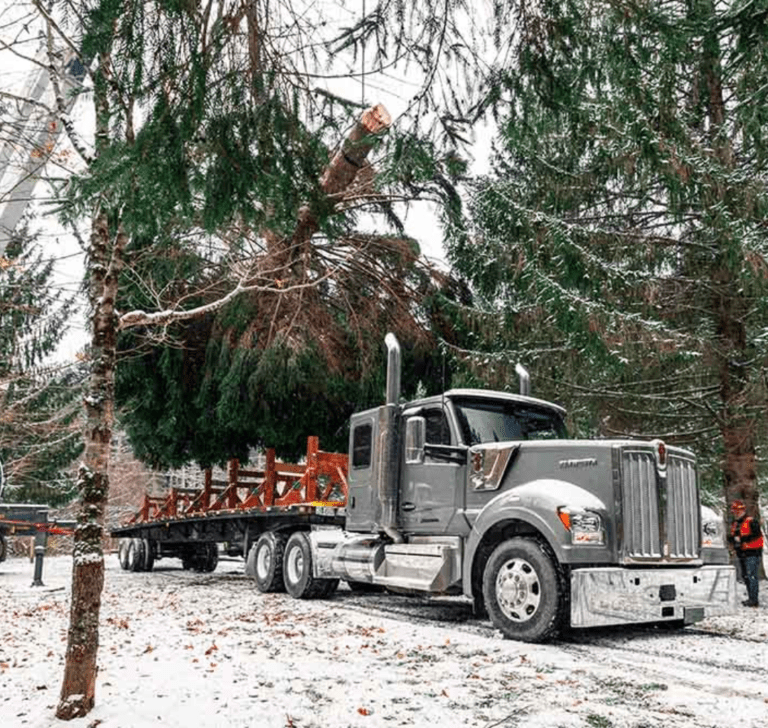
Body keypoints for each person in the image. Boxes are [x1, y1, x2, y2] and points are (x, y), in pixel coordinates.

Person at [728, 499, 763, 608]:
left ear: (743, 510)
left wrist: (742, 539)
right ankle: (751, 598)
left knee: (751, 576)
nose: (736, 514)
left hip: (752, 553)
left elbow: (757, 536)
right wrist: (732, 541)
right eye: (734, 511)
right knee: (746, 576)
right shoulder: (735, 524)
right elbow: (732, 537)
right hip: (742, 553)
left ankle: (754, 600)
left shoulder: (751, 521)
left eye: (738, 511)